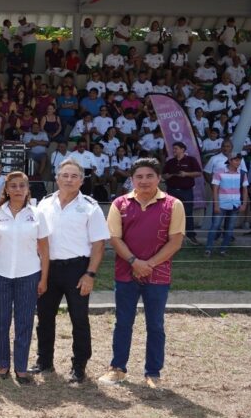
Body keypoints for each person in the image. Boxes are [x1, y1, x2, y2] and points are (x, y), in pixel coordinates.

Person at [99, 159, 185, 389]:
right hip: (126, 273)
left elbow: (176, 241)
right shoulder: (120, 203)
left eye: (149, 176)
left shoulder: (173, 204)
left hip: (158, 275)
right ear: (132, 179)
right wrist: (134, 262)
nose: (144, 181)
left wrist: (149, 264)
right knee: (123, 323)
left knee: (155, 325)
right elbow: (114, 238)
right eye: (139, 177)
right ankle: (117, 369)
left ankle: (153, 373)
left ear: (159, 178)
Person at [32, 159, 110, 382]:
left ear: (82, 180)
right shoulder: (44, 204)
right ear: (56, 178)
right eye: (65, 175)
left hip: (78, 269)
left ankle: (79, 366)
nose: (69, 180)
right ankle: (44, 361)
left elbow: (98, 245)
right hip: (48, 268)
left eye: (74, 176)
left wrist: (90, 274)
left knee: (79, 319)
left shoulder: (90, 207)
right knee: (45, 318)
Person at [0, 172, 50, 385]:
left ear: (27, 189)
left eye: (22, 185)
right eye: (13, 186)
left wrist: (44, 278)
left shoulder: (37, 214)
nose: (17, 189)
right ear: (6, 189)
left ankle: (21, 368)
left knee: (24, 323)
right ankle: (3, 364)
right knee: (1, 322)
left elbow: (44, 249)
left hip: (29, 274)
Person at [205, 153, 248, 256]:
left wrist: (244, 204)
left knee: (230, 229)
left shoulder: (242, 174)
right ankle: (208, 249)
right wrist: (216, 205)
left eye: (239, 160)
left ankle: (223, 250)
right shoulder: (219, 172)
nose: (238, 162)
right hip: (221, 204)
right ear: (230, 160)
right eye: (236, 160)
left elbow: (245, 190)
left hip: (235, 204)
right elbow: (215, 190)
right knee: (215, 226)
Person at [162, 141, 202, 246]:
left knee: (188, 213)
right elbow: (163, 176)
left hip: (186, 191)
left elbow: (198, 173)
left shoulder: (191, 160)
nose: (174, 150)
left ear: (182, 149)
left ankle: (191, 235)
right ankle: (171, 237)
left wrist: (186, 174)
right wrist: (169, 175)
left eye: (176, 148)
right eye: (173, 148)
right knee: (170, 213)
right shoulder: (170, 162)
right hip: (172, 190)